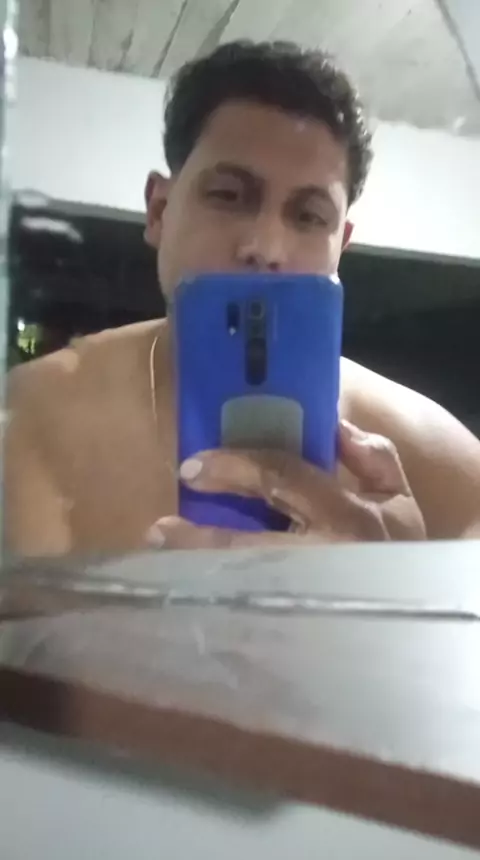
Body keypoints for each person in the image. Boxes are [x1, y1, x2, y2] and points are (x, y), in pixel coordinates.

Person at [5, 40, 480, 557]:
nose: (265, 248)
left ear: (340, 247)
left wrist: (410, 590)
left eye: (309, 216)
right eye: (229, 195)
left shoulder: (425, 453)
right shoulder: (31, 414)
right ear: (160, 212)